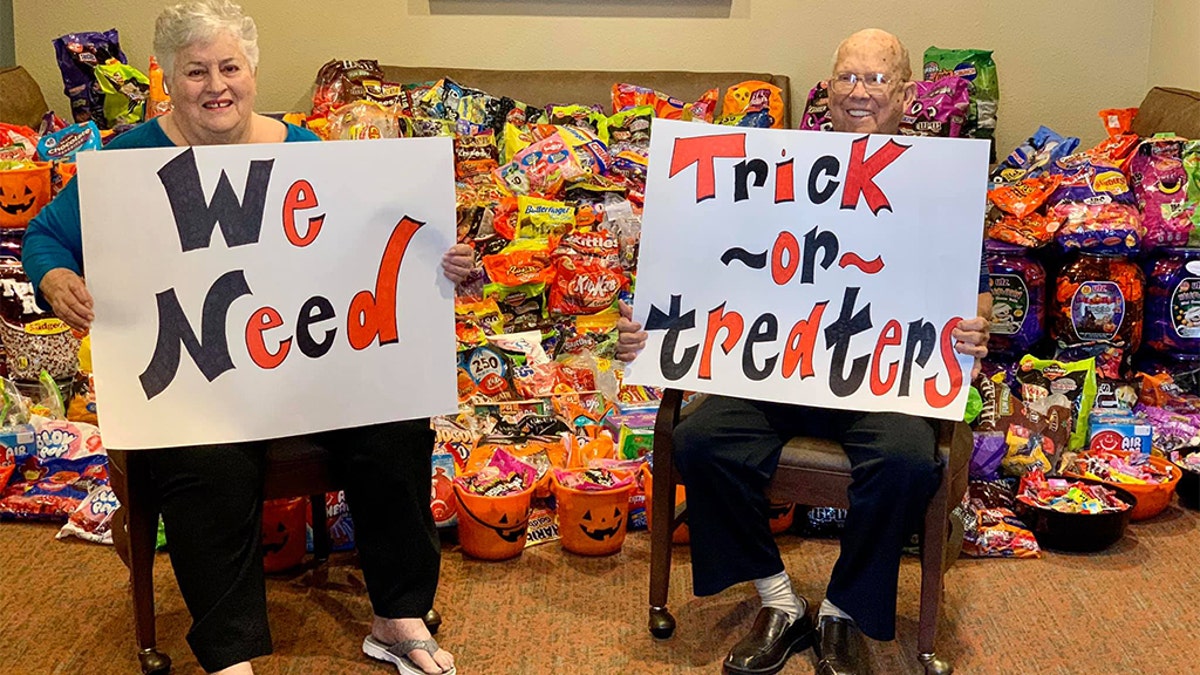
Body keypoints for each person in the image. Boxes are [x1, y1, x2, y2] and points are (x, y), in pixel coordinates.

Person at [21, 2, 474, 674]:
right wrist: (57, 276)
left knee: (396, 424)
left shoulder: (303, 152)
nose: (215, 85)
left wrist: (439, 265)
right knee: (205, 457)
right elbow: (45, 235)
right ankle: (230, 653)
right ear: (167, 81)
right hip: (200, 381)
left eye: (229, 66)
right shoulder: (127, 159)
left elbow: (364, 250)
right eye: (195, 71)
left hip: (306, 372)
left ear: (252, 71)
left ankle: (396, 614)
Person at [616, 28, 992, 675]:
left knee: (906, 461)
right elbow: (707, 269)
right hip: (777, 370)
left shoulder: (940, 182)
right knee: (700, 439)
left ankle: (844, 609)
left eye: (876, 80)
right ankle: (779, 600)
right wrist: (654, 329)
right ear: (829, 86)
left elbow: (975, 293)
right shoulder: (773, 167)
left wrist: (974, 329)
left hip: (880, 380)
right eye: (847, 76)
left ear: (905, 93)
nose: (859, 91)